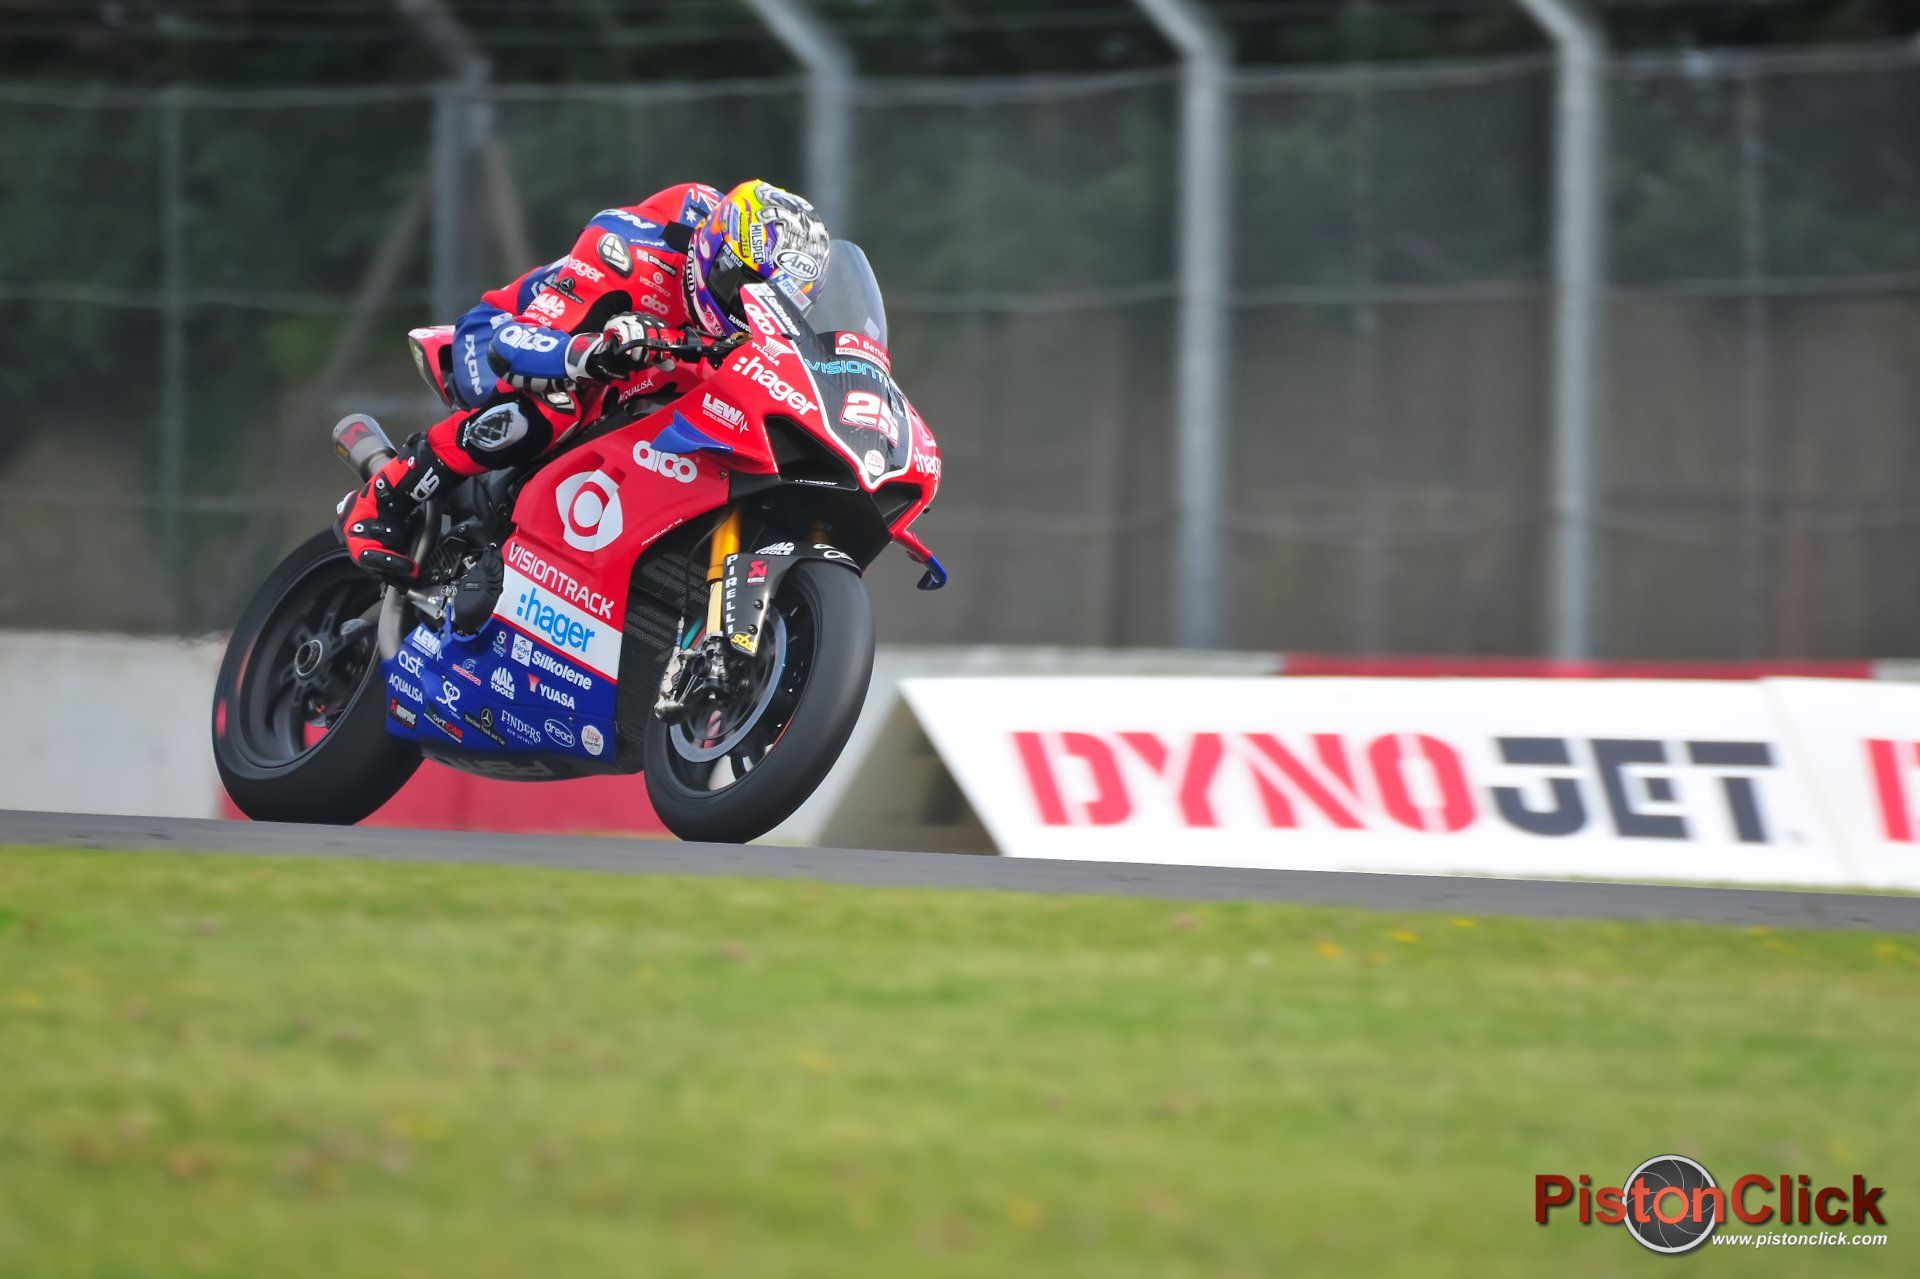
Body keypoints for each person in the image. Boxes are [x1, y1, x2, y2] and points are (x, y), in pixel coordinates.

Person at [338, 178, 831, 577]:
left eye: (772, 303)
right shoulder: (631, 250)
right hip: (502, 335)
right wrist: (594, 353)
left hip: (620, 389)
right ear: (713, 252)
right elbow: (513, 346)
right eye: (742, 287)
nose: (747, 309)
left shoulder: (745, 339)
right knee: (554, 405)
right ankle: (385, 496)